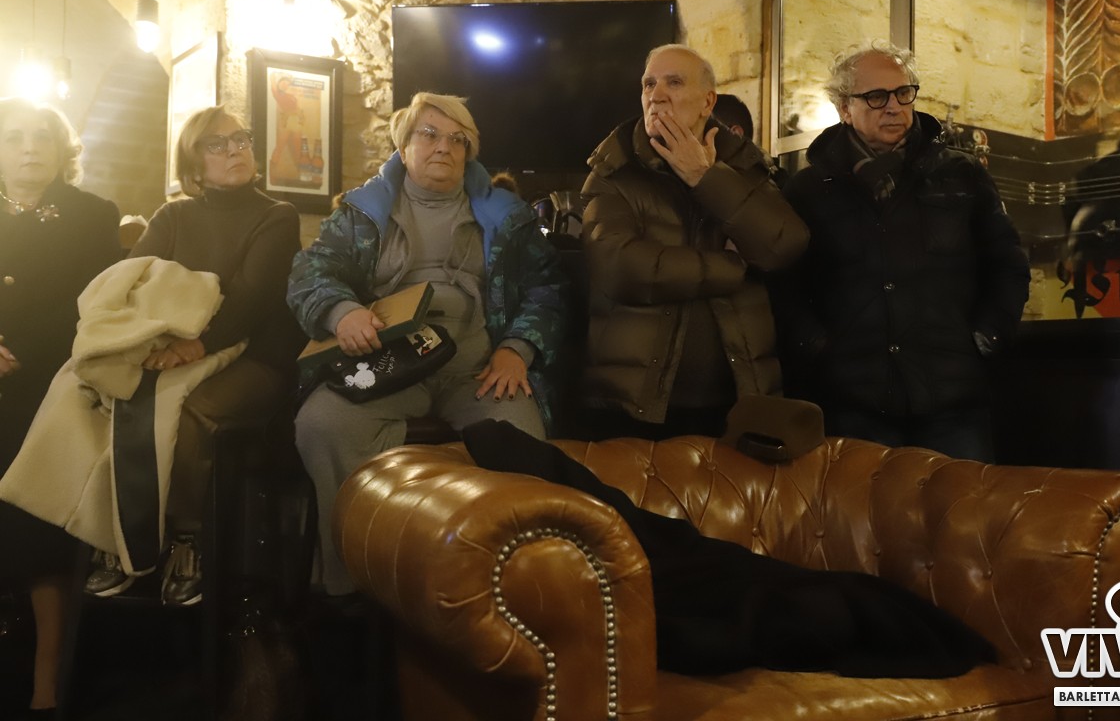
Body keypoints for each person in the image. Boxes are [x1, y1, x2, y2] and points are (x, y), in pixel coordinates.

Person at [288, 92, 567, 596]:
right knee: (322, 424)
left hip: (477, 366)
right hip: (388, 362)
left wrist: (517, 348)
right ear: (403, 145)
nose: (444, 147)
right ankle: (353, 583)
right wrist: (342, 311)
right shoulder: (361, 212)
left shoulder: (508, 216)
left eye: (458, 140)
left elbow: (548, 287)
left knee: (523, 439)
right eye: (430, 134)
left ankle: (506, 587)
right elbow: (311, 272)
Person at [79, 105, 305, 605]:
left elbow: (251, 297)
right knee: (104, 393)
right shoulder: (173, 215)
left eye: (241, 140)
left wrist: (195, 345)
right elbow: (133, 281)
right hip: (173, 353)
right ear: (193, 162)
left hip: (253, 357)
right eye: (217, 144)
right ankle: (116, 532)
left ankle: (187, 538)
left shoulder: (277, 215)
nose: (235, 151)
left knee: (189, 410)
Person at [771, 42, 1030, 461]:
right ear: (844, 108)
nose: (893, 107)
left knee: (960, 504)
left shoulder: (960, 174)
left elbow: (1007, 265)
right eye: (876, 96)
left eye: (903, 93)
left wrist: (987, 337)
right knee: (862, 505)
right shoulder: (809, 189)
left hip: (953, 398)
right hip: (851, 399)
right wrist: (817, 347)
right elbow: (785, 284)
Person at [578, 44, 808, 440]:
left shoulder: (742, 164)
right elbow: (618, 267)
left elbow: (784, 245)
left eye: (674, 82)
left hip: (738, 398)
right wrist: (732, 266)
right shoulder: (615, 170)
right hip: (634, 402)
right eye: (649, 84)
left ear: (707, 102)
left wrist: (707, 178)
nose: (656, 95)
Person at [0, 98, 121, 719]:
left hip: (57, 378)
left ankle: (47, 673)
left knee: (37, 504)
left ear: (61, 148)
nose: (29, 148)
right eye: (14, 137)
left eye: (41, 137)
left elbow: (100, 306)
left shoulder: (92, 214)